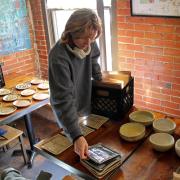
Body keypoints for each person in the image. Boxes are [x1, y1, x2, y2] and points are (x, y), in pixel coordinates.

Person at [48, 8, 102, 159]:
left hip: (82, 96)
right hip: (66, 105)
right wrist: (76, 135)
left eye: (92, 38)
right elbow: (63, 99)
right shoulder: (58, 56)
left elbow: (93, 58)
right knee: (73, 149)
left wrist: (98, 76)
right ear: (71, 32)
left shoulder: (89, 41)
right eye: (84, 38)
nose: (88, 43)